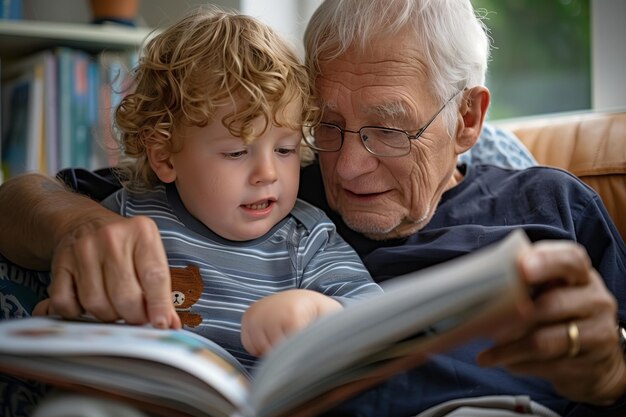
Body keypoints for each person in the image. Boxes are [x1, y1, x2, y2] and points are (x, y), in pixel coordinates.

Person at [1, 0, 625, 416]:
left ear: (467, 117)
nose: (347, 167)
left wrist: (606, 373)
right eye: (326, 126)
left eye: (388, 130)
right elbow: (24, 201)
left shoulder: (554, 206)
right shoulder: (269, 185)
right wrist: (77, 228)